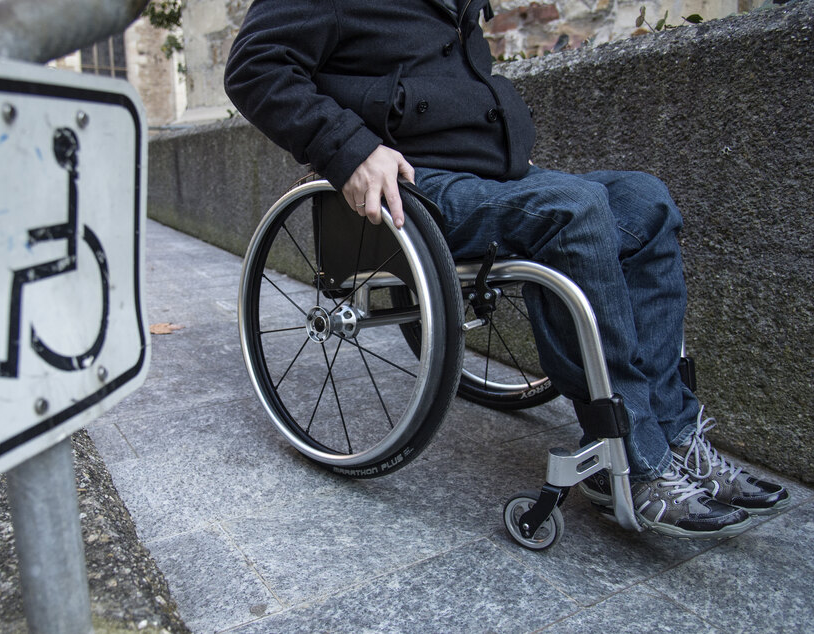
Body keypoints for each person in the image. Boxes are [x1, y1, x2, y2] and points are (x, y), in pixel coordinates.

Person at [224, 0, 789, 539]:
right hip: (411, 185)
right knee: (573, 212)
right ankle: (632, 456)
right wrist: (349, 148)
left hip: (489, 176)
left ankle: (677, 432)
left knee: (645, 200)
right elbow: (253, 67)